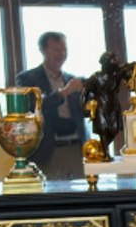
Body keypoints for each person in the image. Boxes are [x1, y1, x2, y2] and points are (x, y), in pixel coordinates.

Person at [12, 30, 86, 179]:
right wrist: (63, 92)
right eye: (56, 50)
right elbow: (34, 109)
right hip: (48, 152)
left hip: (77, 149)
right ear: (43, 50)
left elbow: (83, 112)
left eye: (64, 49)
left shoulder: (72, 79)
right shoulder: (27, 79)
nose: (61, 54)